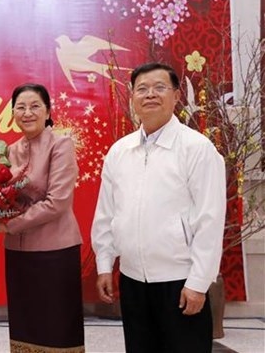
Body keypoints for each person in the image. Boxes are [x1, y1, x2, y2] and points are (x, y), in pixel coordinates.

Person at [91, 62, 226, 352]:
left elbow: (210, 221)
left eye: (159, 87)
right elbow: (107, 213)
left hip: (179, 282)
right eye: (142, 89)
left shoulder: (197, 149)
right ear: (132, 97)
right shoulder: (120, 151)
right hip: (132, 281)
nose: (150, 94)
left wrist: (199, 282)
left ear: (176, 96)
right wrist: (105, 263)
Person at [0, 83, 85, 352]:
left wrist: (8, 223)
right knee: (26, 325)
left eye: (35, 106)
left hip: (54, 251)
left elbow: (56, 202)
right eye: (20, 107)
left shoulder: (61, 144)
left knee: (55, 326)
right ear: (12, 113)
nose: (27, 112)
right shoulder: (10, 150)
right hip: (18, 252)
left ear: (48, 111)